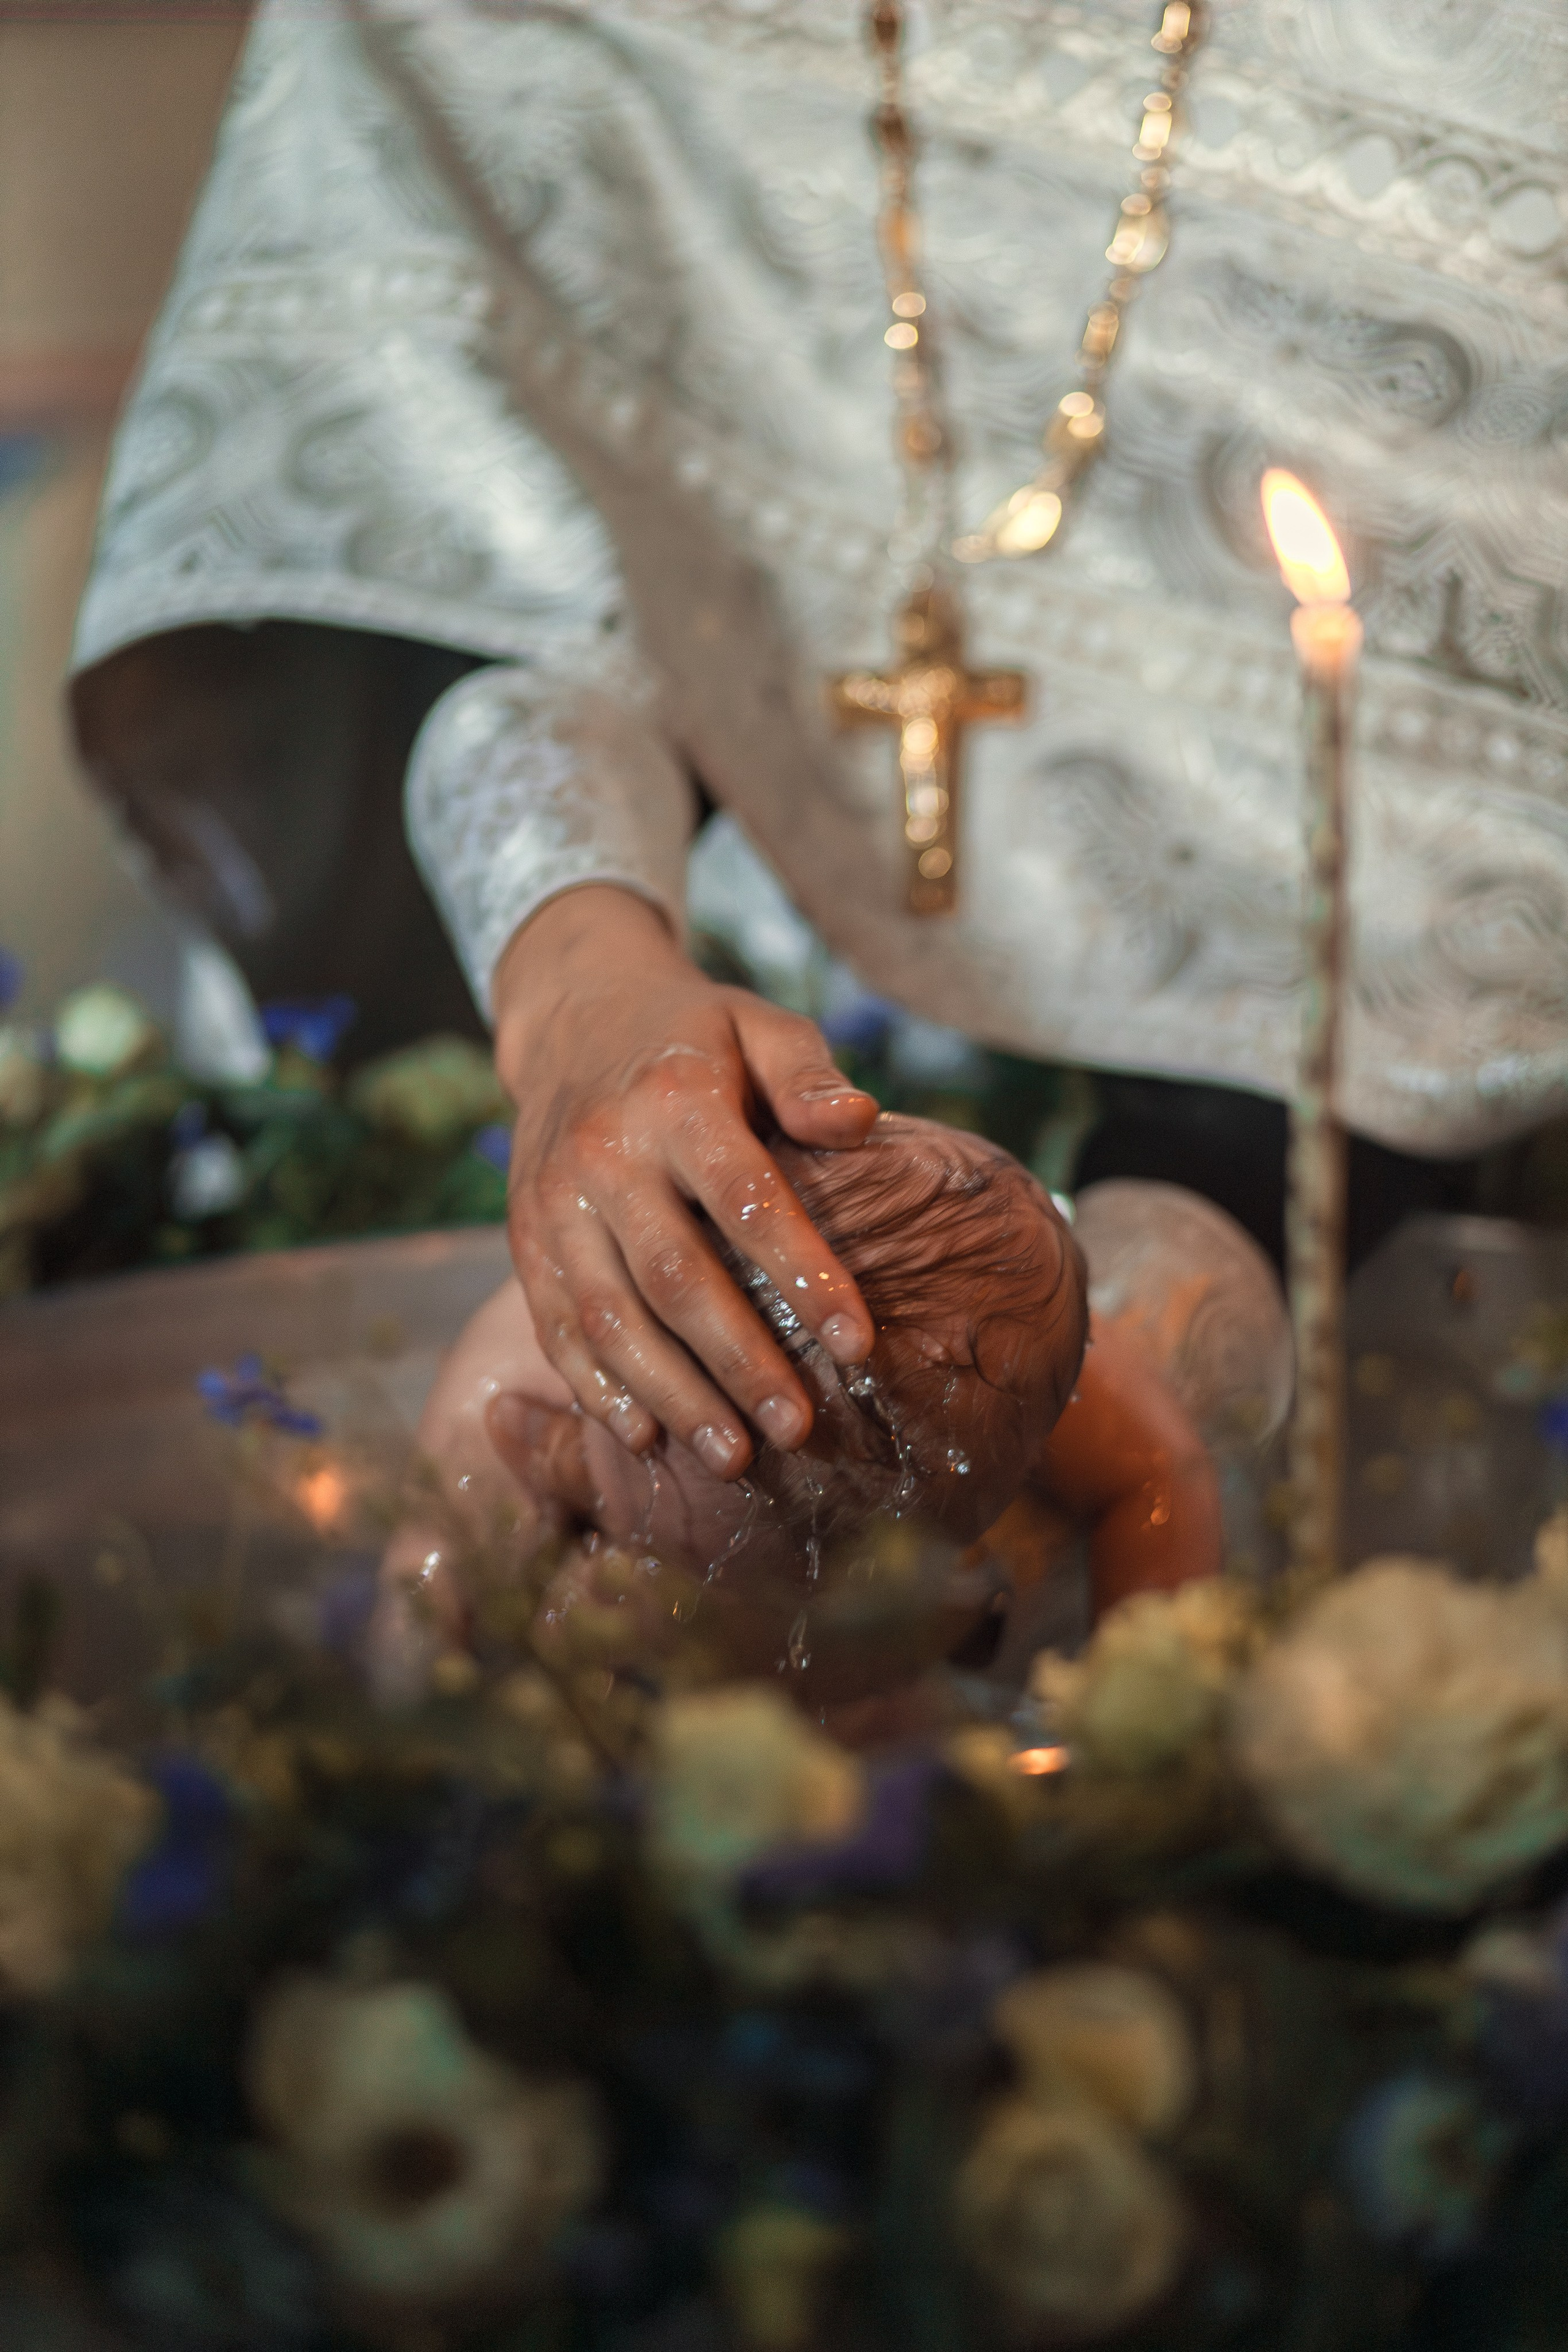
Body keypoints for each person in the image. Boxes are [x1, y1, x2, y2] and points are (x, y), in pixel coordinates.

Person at [69, 0, 1568, 1499]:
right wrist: (579, 987)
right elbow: (445, 527)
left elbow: (1460, 828)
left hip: (1357, 1254)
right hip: (556, 1111)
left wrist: (1123, 1351)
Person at [376, 1117, 1284, 1703]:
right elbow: (418, 1594)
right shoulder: (517, 1394)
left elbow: (1160, 1470)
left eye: (845, 1574)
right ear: (590, 1415)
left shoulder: (1000, 1364)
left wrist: (1137, 1701)